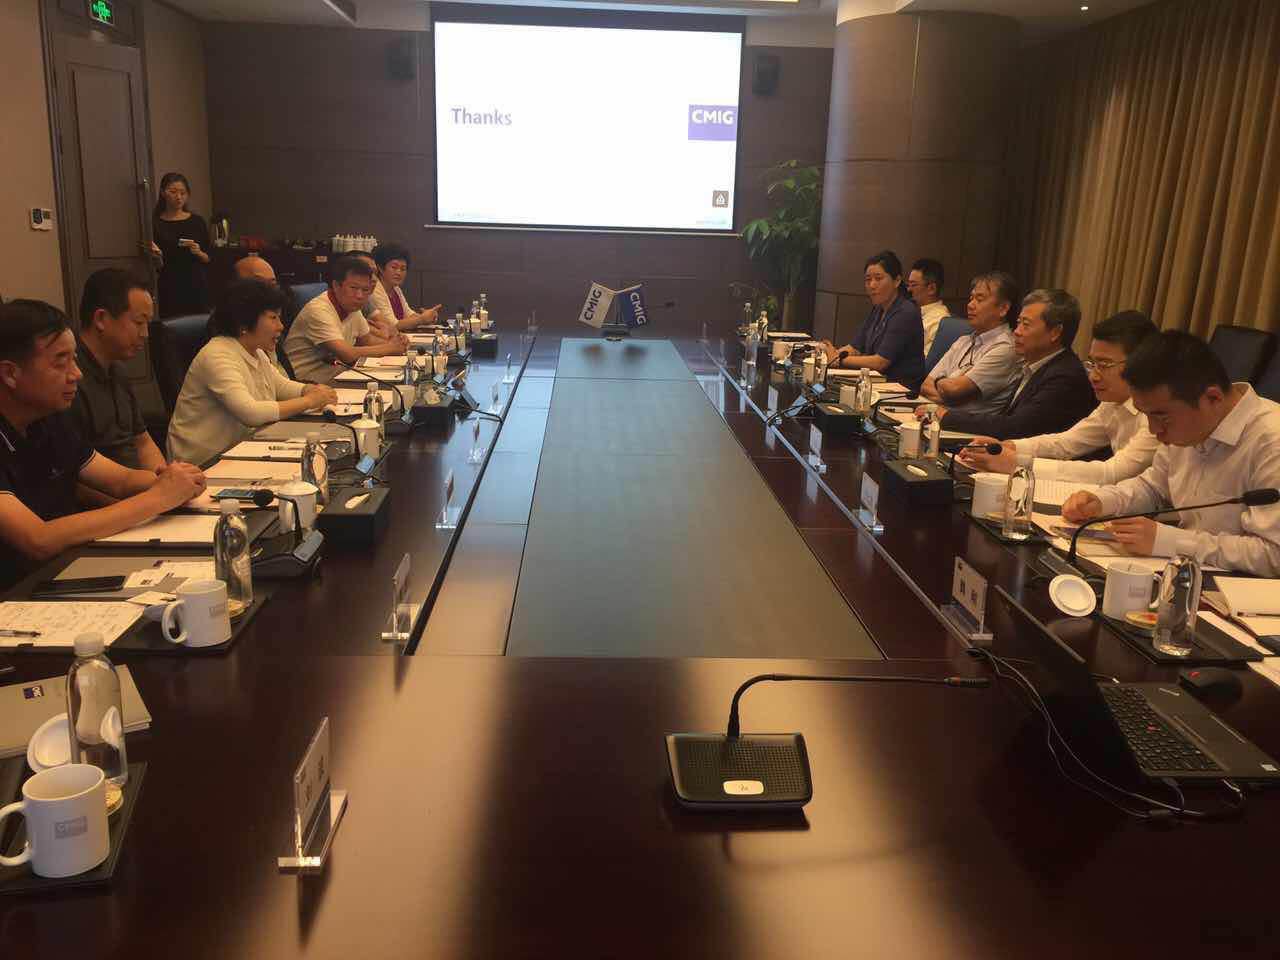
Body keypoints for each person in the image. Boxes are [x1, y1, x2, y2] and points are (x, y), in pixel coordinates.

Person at [0, 300, 206, 590]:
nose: (76, 374)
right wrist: (158, 498)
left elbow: (119, 481)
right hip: (16, 592)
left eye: (74, 359)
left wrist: (179, 482)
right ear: (10, 374)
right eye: (61, 362)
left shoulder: (48, 418)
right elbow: (38, 539)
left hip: (66, 568)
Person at [1061, 332, 1280, 575]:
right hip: (1185, 573)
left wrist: (1173, 542)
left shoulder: (1272, 441)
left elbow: (1273, 554)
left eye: (1161, 417)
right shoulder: (1188, 426)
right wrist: (1103, 501)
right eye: (1146, 415)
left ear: (1212, 398)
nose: (1154, 430)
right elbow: (1154, 488)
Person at [960, 311, 1160, 483]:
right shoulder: (1112, 401)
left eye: (1104, 365)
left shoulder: (1158, 413)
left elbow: (1112, 473)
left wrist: (1017, 463)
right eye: (1092, 364)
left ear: (1140, 364)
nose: (1093, 376)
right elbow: (1066, 443)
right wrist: (1008, 446)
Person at [167, 280, 339, 465]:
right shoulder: (217, 355)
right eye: (273, 318)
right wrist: (309, 401)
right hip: (203, 462)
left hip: (243, 448)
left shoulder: (255, 351)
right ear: (244, 322)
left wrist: (308, 390)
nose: (281, 326)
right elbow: (250, 413)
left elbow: (280, 386)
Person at [919, 289, 1095, 440]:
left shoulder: (1065, 376)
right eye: (1018, 323)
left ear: (1055, 333)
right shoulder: (1036, 365)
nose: (1017, 332)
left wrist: (947, 416)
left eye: (1026, 325)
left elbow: (1016, 427)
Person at [68, 269, 166, 471]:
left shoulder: (117, 369)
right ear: (101, 319)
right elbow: (79, 476)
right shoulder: (69, 379)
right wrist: (153, 487)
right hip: (110, 487)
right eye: (139, 322)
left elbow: (143, 443)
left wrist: (166, 478)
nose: (145, 334)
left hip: (139, 484)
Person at [284, 256, 409, 384]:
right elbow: (347, 354)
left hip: (337, 376)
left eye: (365, 290)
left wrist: (396, 343)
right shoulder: (318, 310)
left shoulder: (352, 307)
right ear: (336, 286)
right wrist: (390, 347)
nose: (360, 295)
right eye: (354, 288)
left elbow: (367, 341)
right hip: (305, 382)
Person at [917, 271, 1020, 417]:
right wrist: (951, 394)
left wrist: (941, 383)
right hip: (936, 417)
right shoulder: (964, 340)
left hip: (966, 428)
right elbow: (925, 385)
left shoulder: (1006, 349)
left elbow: (955, 389)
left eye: (980, 299)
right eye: (971, 298)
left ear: (1003, 308)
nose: (970, 305)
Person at [820, 250, 926, 391]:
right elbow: (855, 347)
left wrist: (837, 359)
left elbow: (880, 362)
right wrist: (830, 353)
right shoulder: (879, 309)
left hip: (900, 391)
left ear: (897, 281)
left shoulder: (906, 312)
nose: (872, 285)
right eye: (868, 280)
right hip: (875, 384)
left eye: (878, 278)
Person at [152, 172, 211, 317]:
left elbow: (209, 258)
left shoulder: (197, 221)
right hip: (168, 284)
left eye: (183, 193)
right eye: (173, 192)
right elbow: (156, 266)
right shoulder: (155, 223)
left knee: (197, 324)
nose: (178, 197)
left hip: (195, 283)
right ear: (163, 193)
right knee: (170, 324)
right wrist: (158, 256)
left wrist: (199, 252)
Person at [370, 243, 441, 331]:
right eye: (394, 267)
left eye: (403, 269)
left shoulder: (396, 289)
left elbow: (409, 314)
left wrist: (428, 316)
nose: (398, 272)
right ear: (380, 268)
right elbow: (393, 325)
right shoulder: (375, 289)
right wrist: (421, 319)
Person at [907, 258, 949, 357]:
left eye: (913, 285)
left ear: (931, 289)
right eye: (908, 285)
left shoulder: (940, 321)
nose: (909, 289)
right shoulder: (911, 312)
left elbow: (925, 361)